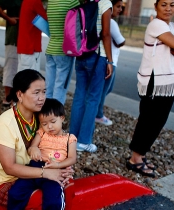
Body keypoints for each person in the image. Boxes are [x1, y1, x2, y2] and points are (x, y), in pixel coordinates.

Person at [0, 69, 74, 210]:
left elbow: (56, 148)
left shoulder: (40, 117)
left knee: (66, 185)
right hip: (6, 180)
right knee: (40, 198)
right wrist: (46, 174)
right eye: (36, 92)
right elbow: (9, 167)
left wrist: (61, 167)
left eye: (44, 92)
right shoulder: (6, 123)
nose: (42, 97)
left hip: (35, 172)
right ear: (20, 94)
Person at [126, 0, 174, 177]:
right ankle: (135, 159)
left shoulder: (173, 26)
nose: (168, 8)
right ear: (156, 6)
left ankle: (140, 155)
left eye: (172, 4)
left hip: (169, 84)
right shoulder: (156, 24)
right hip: (154, 81)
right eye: (163, 4)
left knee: (158, 121)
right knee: (148, 120)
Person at [69, 0, 113, 153]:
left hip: (80, 54)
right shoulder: (105, 3)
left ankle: (72, 138)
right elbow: (106, 34)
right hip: (97, 55)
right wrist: (110, 60)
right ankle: (84, 141)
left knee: (79, 96)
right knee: (93, 98)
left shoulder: (84, 1)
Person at [95, 0, 126, 126]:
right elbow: (120, 41)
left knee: (107, 88)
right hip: (110, 60)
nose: (120, 9)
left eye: (121, 7)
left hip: (109, 59)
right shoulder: (111, 22)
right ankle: (98, 114)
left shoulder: (105, 20)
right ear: (110, 6)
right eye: (117, 6)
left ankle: (97, 110)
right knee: (103, 90)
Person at [45, 0, 79, 105]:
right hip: (63, 50)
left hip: (50, 48)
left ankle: (46, 114)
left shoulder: (51, 2)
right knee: (60, 86)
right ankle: (55, 117)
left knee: (49, 86)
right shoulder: (72, 2)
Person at [0, 0, 23, 106]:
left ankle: (16, 97)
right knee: (11, 67)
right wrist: (9, 19)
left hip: (24, 40)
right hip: (13, 38)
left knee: (19, 68)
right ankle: (8, 98)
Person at [17, 0, 47, 72]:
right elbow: (47, 19)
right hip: (31, 47)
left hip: (23, 46)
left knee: (22, 77)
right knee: (32, 78)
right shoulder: (35, 1)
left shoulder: (25, 1)